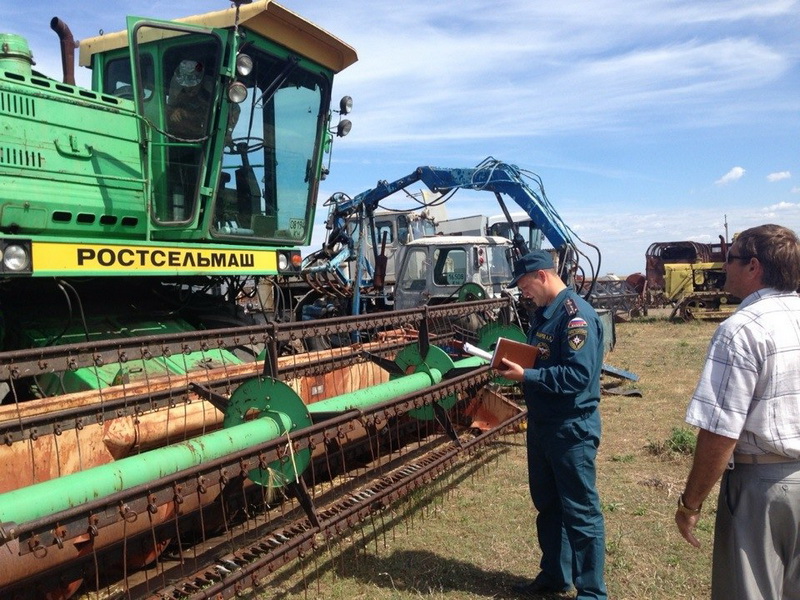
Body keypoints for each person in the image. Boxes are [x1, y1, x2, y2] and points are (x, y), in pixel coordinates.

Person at [675, 224, 800, 599]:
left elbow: (720, 432)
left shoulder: (740, 330)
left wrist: (690, 504)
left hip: (763, 488)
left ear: (753, 267)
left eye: (730, 258)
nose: (723, 266)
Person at [496, 250, 607, 599]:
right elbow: (544, 359)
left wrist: (526, 375)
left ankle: (592, 593)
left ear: (542, 276)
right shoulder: (545, 315)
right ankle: (556, 576)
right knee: (548, 505)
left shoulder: (575, 318)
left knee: (580, 511)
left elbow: (578, 375)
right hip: (543, 425)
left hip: (570, 428)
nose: (524, 293)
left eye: (525, 286)